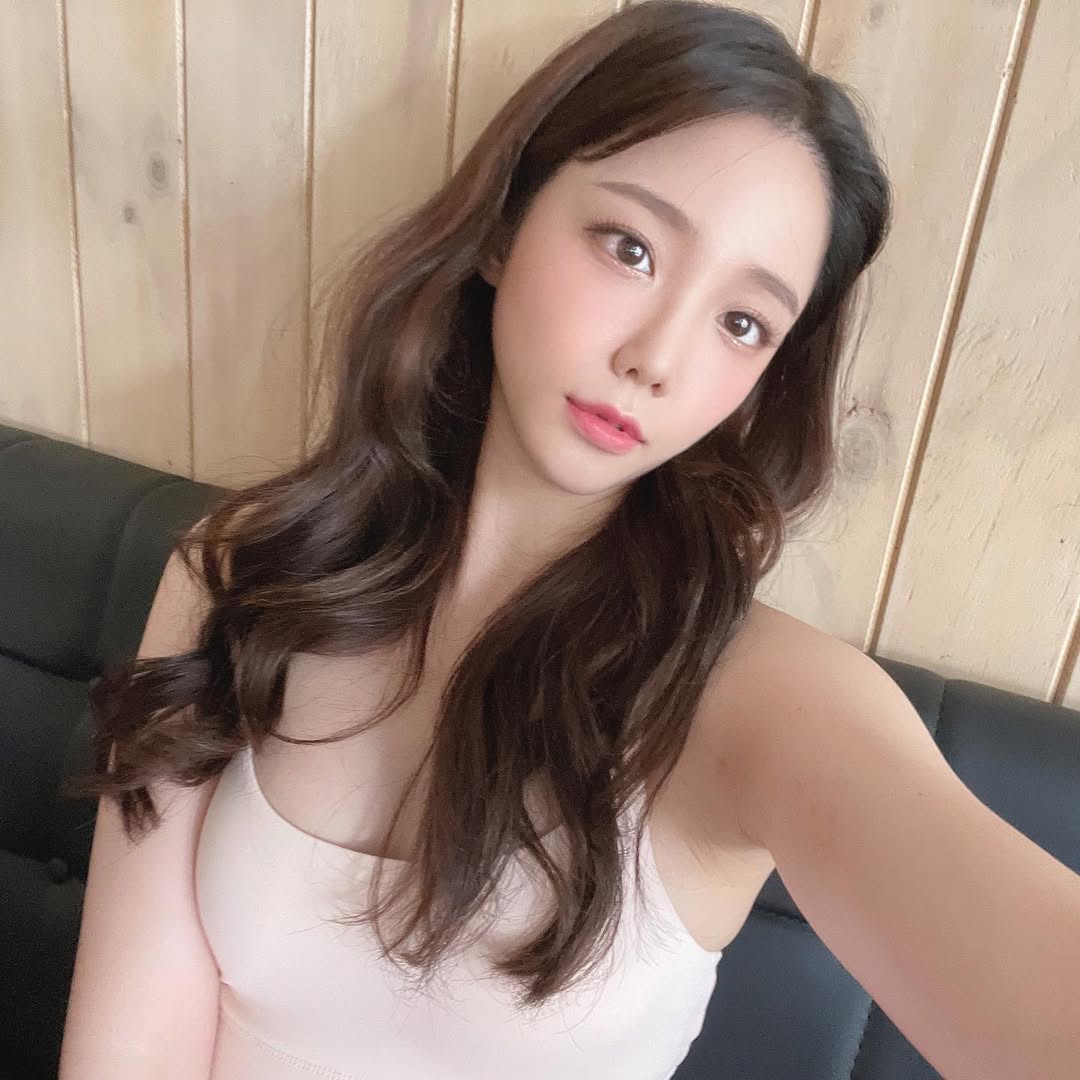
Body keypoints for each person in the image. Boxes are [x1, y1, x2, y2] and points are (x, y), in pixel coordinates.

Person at [59, 2, 1080, 1078]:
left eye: (742, 323)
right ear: (505, 226)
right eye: (631, 248)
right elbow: (128, 1052)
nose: (658, 358)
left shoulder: (761, 701)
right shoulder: (243, 570)